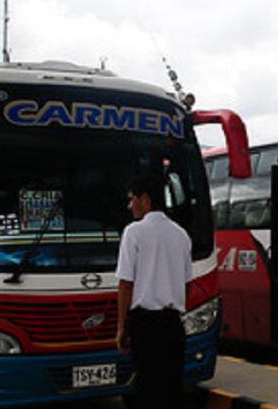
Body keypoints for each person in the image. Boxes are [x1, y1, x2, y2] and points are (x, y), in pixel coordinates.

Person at [115, 174, 191, 409]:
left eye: (131, 200)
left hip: (145, 325)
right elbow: (186, 284)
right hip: (173, 325)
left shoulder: (133, 232)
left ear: (145, 199)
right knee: (170, 389)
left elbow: (126, 284)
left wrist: (122, 327)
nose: (129, 206)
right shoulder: (181, 234)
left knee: (147, 390)